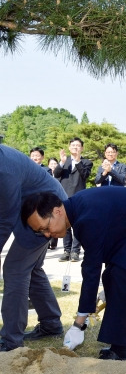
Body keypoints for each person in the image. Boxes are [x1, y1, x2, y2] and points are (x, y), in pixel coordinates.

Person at [20, 187, 126, 360]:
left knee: (119, 277)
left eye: (45, 227)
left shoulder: (86, 218)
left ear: (57, 211)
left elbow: (91, 270)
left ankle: (120, 350)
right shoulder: (79, 210)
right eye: (41, 232)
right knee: (114, 277)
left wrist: (78, 324)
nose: (47, 235)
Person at [0, 145, 67, 352]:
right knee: (32, 269)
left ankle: (11, 341)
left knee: (15, 269)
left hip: (46, 214)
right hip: (29, 208)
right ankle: (51, 324)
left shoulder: (4, 171)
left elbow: (5, 219)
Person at [53, 137, 93, 262]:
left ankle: (75, 251)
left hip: (79, 197)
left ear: (82, 148)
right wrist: (61, 162)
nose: (75, 147)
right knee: (65, 225)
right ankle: (66, 250)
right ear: (69, 147)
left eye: (78, 145)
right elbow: (56, 174)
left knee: (78, 225)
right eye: (73, 145)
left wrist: (77, 161)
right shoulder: (65, 161)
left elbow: (85, 175)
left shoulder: (86, 162)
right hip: (64, 196)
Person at [46, 157, 60, 250]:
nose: (53, 165)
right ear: (48, 165)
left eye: (55, 164)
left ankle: (54, 242)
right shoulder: (46, 174)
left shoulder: (60, 175)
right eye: (51, 164)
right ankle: (46, 243)